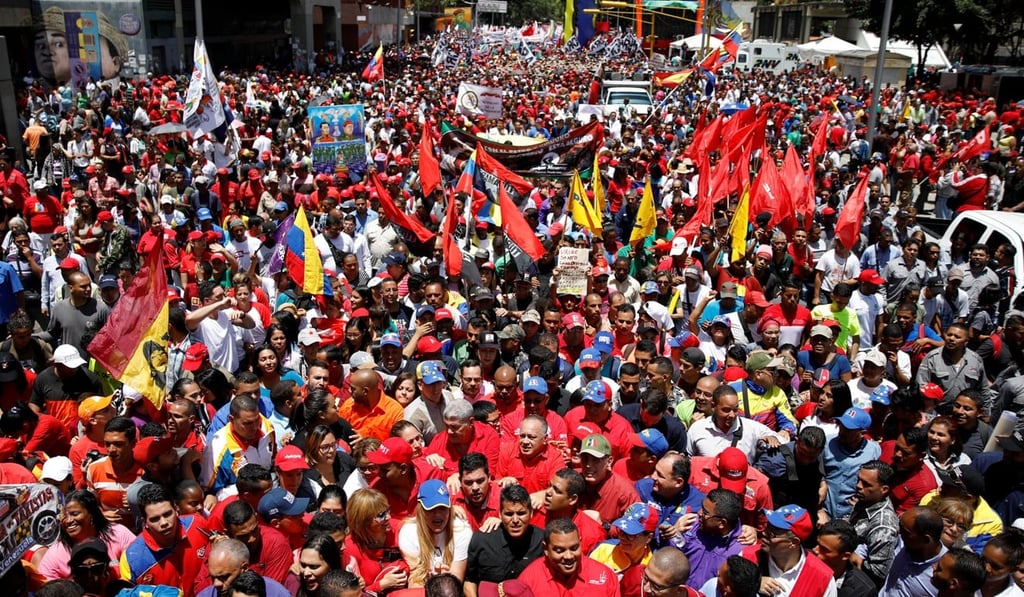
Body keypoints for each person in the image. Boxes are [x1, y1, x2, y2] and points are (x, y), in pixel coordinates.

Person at [119, 484, 210, 596]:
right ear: (144, 522)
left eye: (167, 514)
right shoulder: (131, 559)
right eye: (155, 519)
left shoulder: (198, 525)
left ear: (176, 509)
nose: (164, 523)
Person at [38, 489, 136, 581]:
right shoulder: (55, 554)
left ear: (92, 513)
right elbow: (47, 588)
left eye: (75, 514)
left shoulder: (118, 534)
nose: (68, 520)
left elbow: (138, 564)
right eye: (64, 516)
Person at [464, 484, 544, 597]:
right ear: (500, 514)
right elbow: (470, 580)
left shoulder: (542, 542)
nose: (515, 520)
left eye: (521, 513)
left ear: (531, 513)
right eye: (509, 514)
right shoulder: (481, 540)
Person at [741, 504, 836, 596]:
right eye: (766, 526)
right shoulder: (746, 558)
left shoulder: (823, 579)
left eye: (772, 533)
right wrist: (752, 584)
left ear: (794, 542)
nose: (764, 533)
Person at [516, 518, 620, 597]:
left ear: (580, 542)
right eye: (560, 551)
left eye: (574, 548)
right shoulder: (529, 580)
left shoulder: (605, 577)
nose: (569, 556)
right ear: (545, 548)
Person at [201, 394, 276, 503]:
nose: (255, 427)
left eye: (257, 420)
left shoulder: (267, 428)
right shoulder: (218, 448)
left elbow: (273, 460)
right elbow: (210, 490)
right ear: (232, 419)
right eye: (248, 423)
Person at [398, 479, 472, 586]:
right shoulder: (408, 532)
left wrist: (443, 581)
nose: (437, 514)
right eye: (430, 509)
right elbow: (415, 582)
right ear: (421, 510)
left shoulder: (461, 530)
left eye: (442, 508)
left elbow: (457, 580)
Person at [676, 488, 745, 589]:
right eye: (702, 507)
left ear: (722, 523)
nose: (699, 513)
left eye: (705, 512)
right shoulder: (689, 525)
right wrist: (674, 534)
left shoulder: (741, 551)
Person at [344, 488, 409, 595]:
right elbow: (351, 594)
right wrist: (381, 585)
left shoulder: (399, 529)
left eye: (388, 510)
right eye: (381, 515)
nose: (388, 517)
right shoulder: (350, 548)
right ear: (363, 521)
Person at [636, 452, 707, 548]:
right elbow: (634, 526)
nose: (653, 476)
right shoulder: (643, 489)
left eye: (660, 475)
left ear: (678, 482)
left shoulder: (698, 504)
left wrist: (675, 534)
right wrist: (666, 533)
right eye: (655, 470)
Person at [846, 460, 899, 586]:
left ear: (884, 489)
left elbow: (879, 572)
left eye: (866, 484)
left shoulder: (884, 526)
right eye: (858, 480)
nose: (858, 485)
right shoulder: (866, 500)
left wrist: (853, 557)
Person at [589, 503, 657, 596]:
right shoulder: (603, 549)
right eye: (621, 531)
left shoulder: (654, 565)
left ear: (649, 538)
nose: (623, 538)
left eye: (631, 535)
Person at [879, 506, 946, 597]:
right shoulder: (903, 541)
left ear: (926, 539)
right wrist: (861, 551)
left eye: (905, 532)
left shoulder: (943, 572)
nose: (899, 532)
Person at [196, 538, 291, 597]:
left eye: (224, 577)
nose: (216, 584)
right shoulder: (207, 595)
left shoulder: (276, 593)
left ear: (244, 568)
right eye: (213, 577)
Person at [813, 521, 876, 597]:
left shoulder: (862, 591)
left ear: (845, 556)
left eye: (824, 549)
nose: (815, 550)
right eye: (817, 544)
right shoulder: (802, 562)